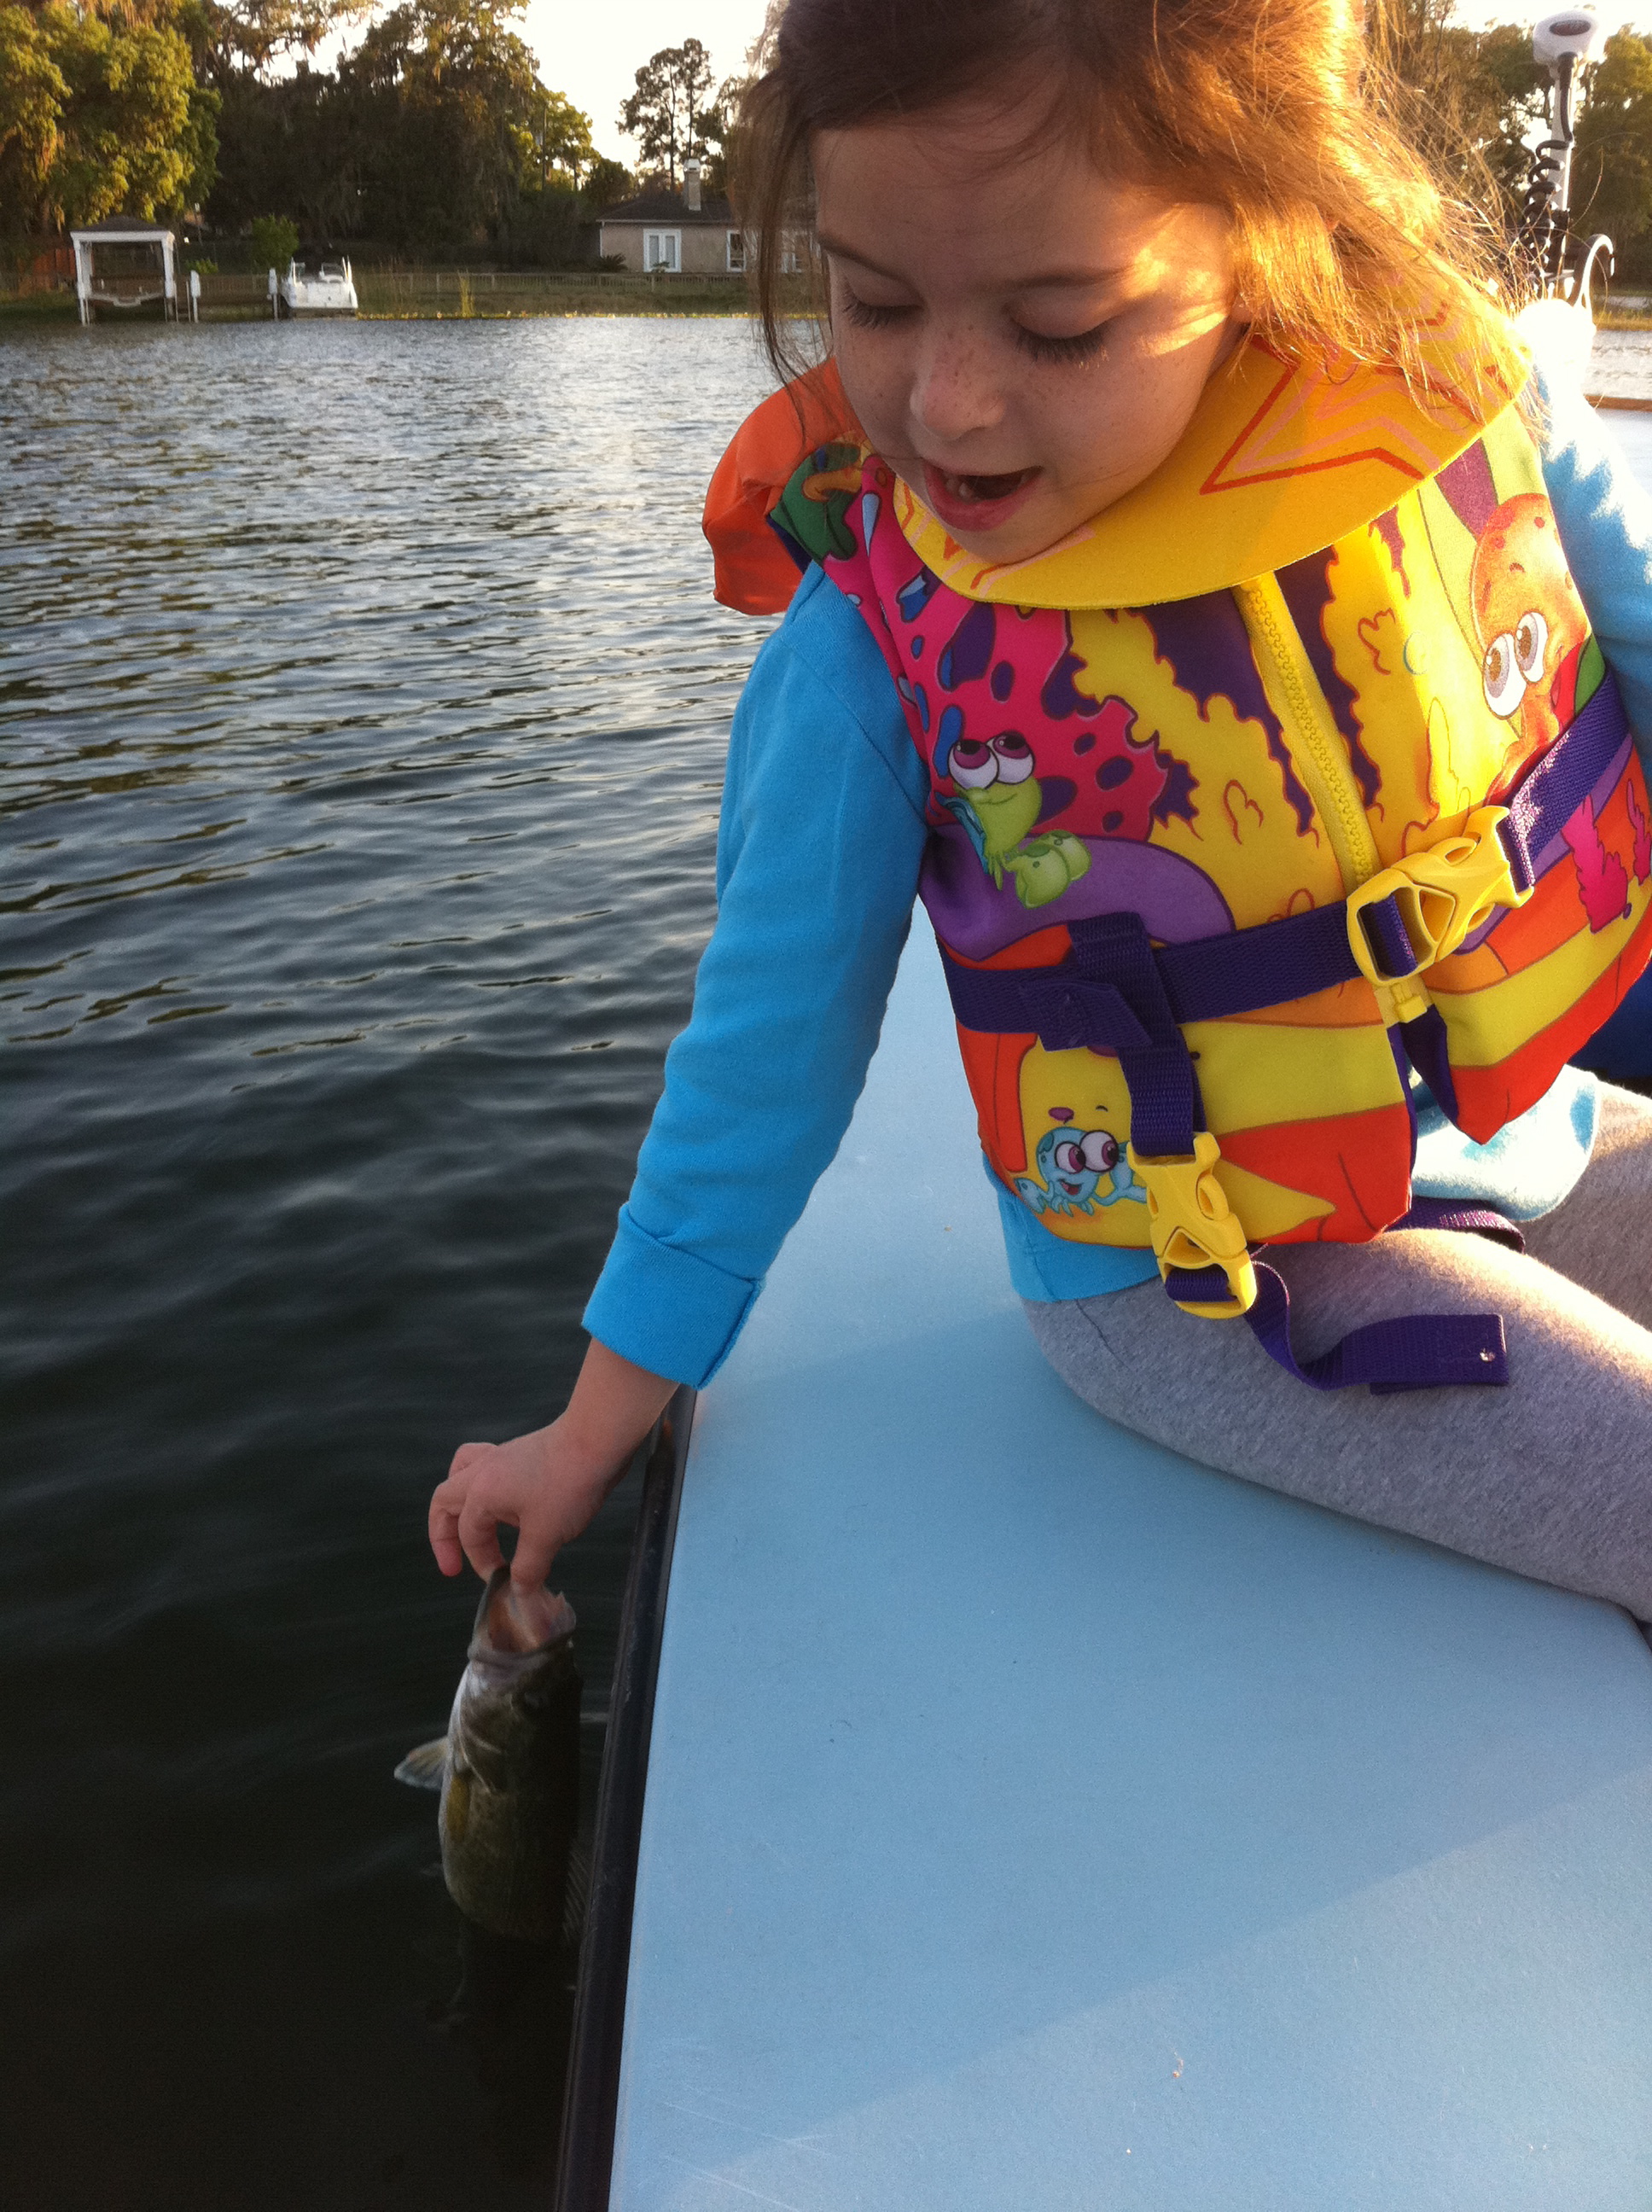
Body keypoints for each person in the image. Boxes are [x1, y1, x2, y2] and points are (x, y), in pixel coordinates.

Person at [429, 0, 1652, 1621]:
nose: (945, 406)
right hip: (1198, 1276)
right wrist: (584, 1436)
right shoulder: (867, 655)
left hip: (1531, 1137)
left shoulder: (1450, 403)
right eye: (874, 303)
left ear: (1267, 232)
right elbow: (757, 1067)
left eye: (1060, 327)